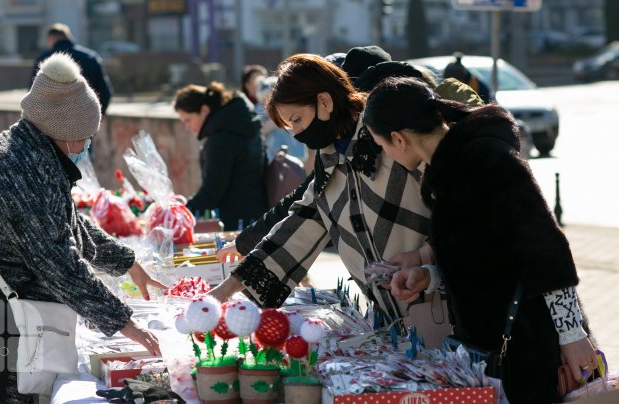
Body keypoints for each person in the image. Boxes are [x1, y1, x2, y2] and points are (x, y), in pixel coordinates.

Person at [0, 53, 166, 402]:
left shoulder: (26, 154)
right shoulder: (18, 173)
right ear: (65, 132)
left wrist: (128, 264)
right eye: (87, 136)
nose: (88, 144)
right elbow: (58, 262)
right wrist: (122, 321)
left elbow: (68, 225)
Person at [363, 76, 596, 403]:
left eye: (382, 145)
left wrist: (572, 335)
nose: (385, 154)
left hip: (532, 345)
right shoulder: (448, 172)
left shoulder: (486, 159)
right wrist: (427, 276)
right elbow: (483, 254)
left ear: (398, 139)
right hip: (495, 350)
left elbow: (545, 246)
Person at [209, 54, 433, 330]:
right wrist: (224, 291)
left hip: (441, 304)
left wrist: (427, 263)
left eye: (297, 120)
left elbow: (459, 212)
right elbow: (296, 229)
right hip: (392, 317)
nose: (296, 133)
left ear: (325, 102)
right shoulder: (330, 159)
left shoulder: (390, 137)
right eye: (289, 126)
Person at [173, 81, 267, 231]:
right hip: (254, 217)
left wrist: (177, 213)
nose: (187, 127)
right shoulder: (241, 125)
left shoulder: (222, 139)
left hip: (237, 224)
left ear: (204, 110)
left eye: (188, 120)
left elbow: (211, 194)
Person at [30, 23, 113, 115]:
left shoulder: (43, 59)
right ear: (69, 37)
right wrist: (98, 116)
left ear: (50, 39)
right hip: (85, 118)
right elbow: (105, 92)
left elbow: (33, 93)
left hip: (52, 120)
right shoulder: (90, 57)